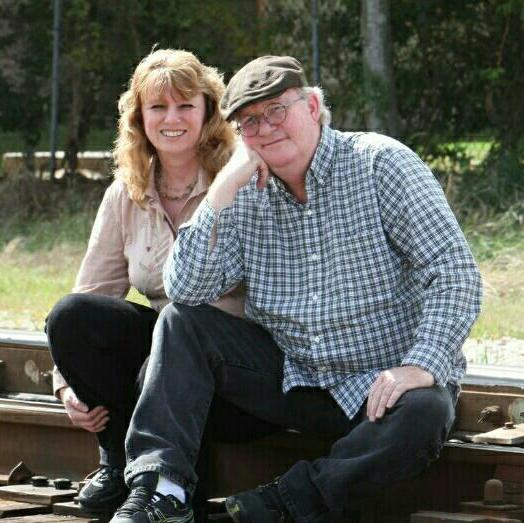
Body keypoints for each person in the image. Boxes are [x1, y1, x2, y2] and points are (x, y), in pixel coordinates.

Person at [111, 56, 483, 523]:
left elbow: (454, 272)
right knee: (181, 323)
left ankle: (282, 502)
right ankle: (162, 492)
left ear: (311, 106)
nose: (265, 128)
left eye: (276, 110)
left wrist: (420, 365)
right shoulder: (243, 190)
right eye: (249, 121)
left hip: (381, 387)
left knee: (424, 414)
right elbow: (185, 288)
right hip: (293, 377)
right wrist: (220, 191)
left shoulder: (381, 163)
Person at [45, 48, 243, 515]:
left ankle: (166, 481)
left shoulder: (240, 179)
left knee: (173, 335)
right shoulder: (126, 191)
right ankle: (118, 460)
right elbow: (92, 292)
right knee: (72, 316)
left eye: (185, 105)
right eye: (158, 107)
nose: (171, 118)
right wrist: (67, 384)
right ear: (140, 118)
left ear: (209, 112)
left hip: (230, 365)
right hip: (160, 358)